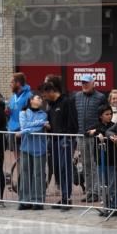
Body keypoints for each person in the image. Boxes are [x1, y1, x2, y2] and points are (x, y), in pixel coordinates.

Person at [42, 82, 78, 210]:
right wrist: (48, 128)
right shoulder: (51, 106)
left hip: (65, 140)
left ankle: (67, 199)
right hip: (54, 140)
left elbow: (73, 121)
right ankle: (64, 197)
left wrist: (69, 137)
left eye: (45, 95)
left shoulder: (66, 102)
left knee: (65, 168)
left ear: (51, 91)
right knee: (58, 170)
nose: (44, 98)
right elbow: (52, 124)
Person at [74, 74, 107, 203]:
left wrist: (98, 130)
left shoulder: (100, 97)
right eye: (83, 83)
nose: (84, 85)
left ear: (93, 83)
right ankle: (89, 191)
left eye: (87, 82)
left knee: (95, 164)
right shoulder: (77, 96)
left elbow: (104, 116)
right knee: (86, 164)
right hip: (81, 136)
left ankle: (97, 192)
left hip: (94, 136)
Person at [85, 103, 117, 215]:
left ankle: (115, 206)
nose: (109, 116)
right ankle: (106, 206)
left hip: (111, 159)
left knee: (112, 184)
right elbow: (86, 132)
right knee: (103, 184)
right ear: (100, 116)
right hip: (100, 159)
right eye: (106, 114)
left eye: (110, 114)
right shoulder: (96, 125)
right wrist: (95, 132)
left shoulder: (114, 125)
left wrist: (97, 132)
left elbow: (109, 132)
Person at [17, 93, 47, 210]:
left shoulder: (43, 114)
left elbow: (37, 129)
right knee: (25, 174)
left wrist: (26, 130)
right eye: (38, 97)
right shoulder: (23, 113)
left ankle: (38, 200)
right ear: (31, 101)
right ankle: (25, 200)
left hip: (39, 148)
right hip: (25, 148)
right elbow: (24, 126)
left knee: (38, 175)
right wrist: (39, 123)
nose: (40, 100)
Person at [6, 72, 31, 140]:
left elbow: (31, 115)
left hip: (22, 132)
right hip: (11, 129)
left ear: (18, 83)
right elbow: (11, 113)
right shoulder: (13, 97)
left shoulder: (29, 96)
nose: (10, 85)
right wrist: (8, 112)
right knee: (13, 151)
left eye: (12, 82)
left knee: (22, 150)